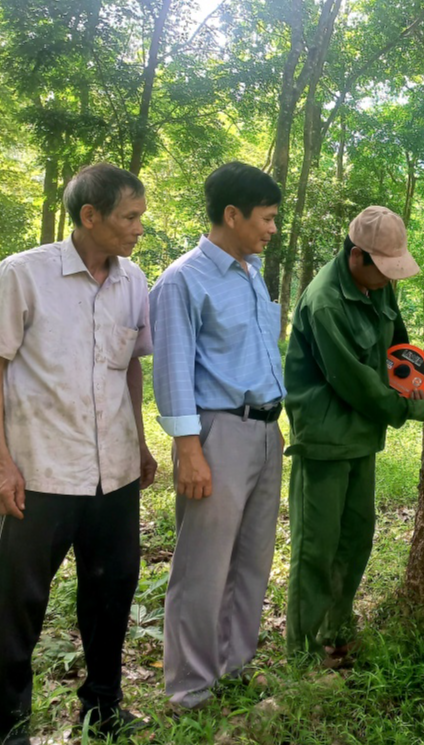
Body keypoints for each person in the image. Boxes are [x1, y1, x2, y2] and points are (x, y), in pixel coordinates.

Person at [0, 163, 156, 745]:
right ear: (90, 217)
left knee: (112, 594)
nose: (139, 228)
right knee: (18, 604)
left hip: (113, 475)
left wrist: (141, 442)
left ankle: (103, 706)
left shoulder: (133, 281)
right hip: (38, 473)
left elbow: (130, 366)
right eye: (130, 216)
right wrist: (0, 463)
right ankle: (9, 731)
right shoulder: (23, 274)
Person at [283, 205, 424, 659]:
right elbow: (353, 380)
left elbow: (397, 343)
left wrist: (416, 381)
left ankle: (336, 631)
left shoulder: (377, 287)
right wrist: (413, 409)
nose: (387, 282)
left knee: (355, 539)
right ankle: (303, 651)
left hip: (361, 435)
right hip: (324, 438)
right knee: (316, 547)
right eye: (384, 271)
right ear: (357, 256)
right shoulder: (325, 302)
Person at [150, 162, 285, 709]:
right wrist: (190, 451)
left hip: (266, 430)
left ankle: (233, 666)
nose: (272, 229)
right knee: (203, 565)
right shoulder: (183, 280)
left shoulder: (252, 273)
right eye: (266, 218)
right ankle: (189, 687)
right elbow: (172, 371)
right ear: (232, 215)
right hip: (217, 433)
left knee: (251, 558)